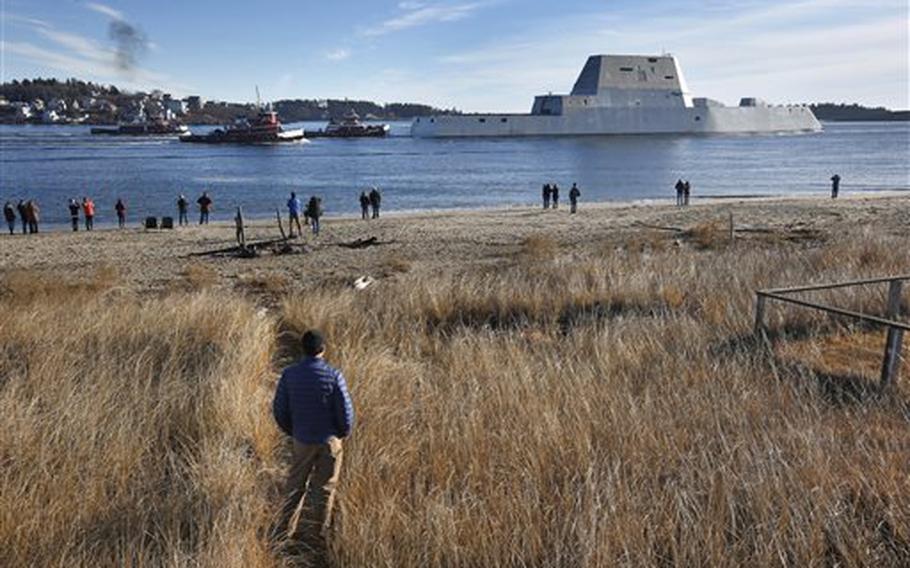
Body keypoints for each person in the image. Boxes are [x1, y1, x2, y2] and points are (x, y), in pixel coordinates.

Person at [272, 330, 354, 555]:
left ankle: (283, 532)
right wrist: (341, 434)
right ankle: (316, 536)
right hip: (329, 441)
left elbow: (279, 409)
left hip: (302, 440)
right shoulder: (334, 375)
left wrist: (293, 431)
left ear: (302, 349)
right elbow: (346, 413)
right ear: (323, 350)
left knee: (295, 484)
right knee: (325, 488)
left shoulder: (289, 375)